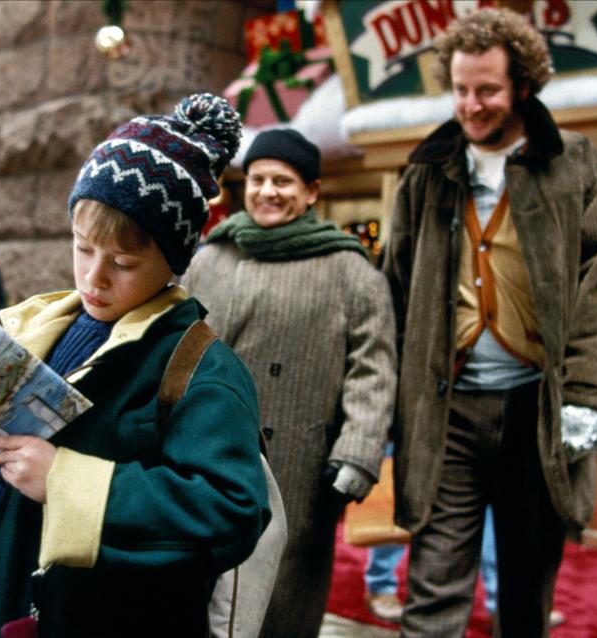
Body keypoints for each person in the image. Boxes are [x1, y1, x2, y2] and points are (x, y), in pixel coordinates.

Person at [0, 93, 270, 637]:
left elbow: (232, 510)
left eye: (124, 262)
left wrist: (64, 480)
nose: (94, 278)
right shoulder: (36, 327)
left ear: (173, 260)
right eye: (83, 248)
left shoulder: (201, 368)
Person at [381, 8, 597, 636]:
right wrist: (388, 405)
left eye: (487, 89)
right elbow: (396, 288)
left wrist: (587, 396)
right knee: (432, 589)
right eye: (461, 89)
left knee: (524, 595)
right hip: (447, 410)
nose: (471, 103)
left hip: (536, 409)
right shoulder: (426, 170)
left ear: (522, 84)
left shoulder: (574, 162)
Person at [182, 128, 397, 638]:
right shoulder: (211, 258)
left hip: (303, 469)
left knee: (286, 597)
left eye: (283, 180)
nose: (268, 191)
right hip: (205, 454)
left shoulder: (351, 270)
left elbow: (374, 368)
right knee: (201, 591)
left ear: (312, 192)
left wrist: (358, 451)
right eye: (258, 179)